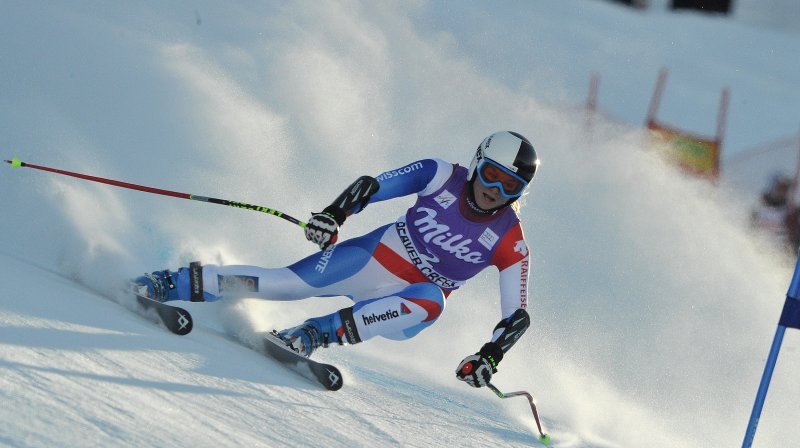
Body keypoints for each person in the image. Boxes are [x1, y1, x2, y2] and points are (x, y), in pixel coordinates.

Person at [134, 131, 539, 388]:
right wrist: (333, 215)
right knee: (282, 284)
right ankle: (171, 283)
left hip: (407, 305)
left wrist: (489, 357)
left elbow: (515, 315)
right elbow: (372, 186)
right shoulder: (439, 175)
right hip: (373, 258)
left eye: (510, 186)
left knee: (435, 299)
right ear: (476, 163)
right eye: (490, 174)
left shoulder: (510, 240)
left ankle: (313, 335)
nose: (494, 190)